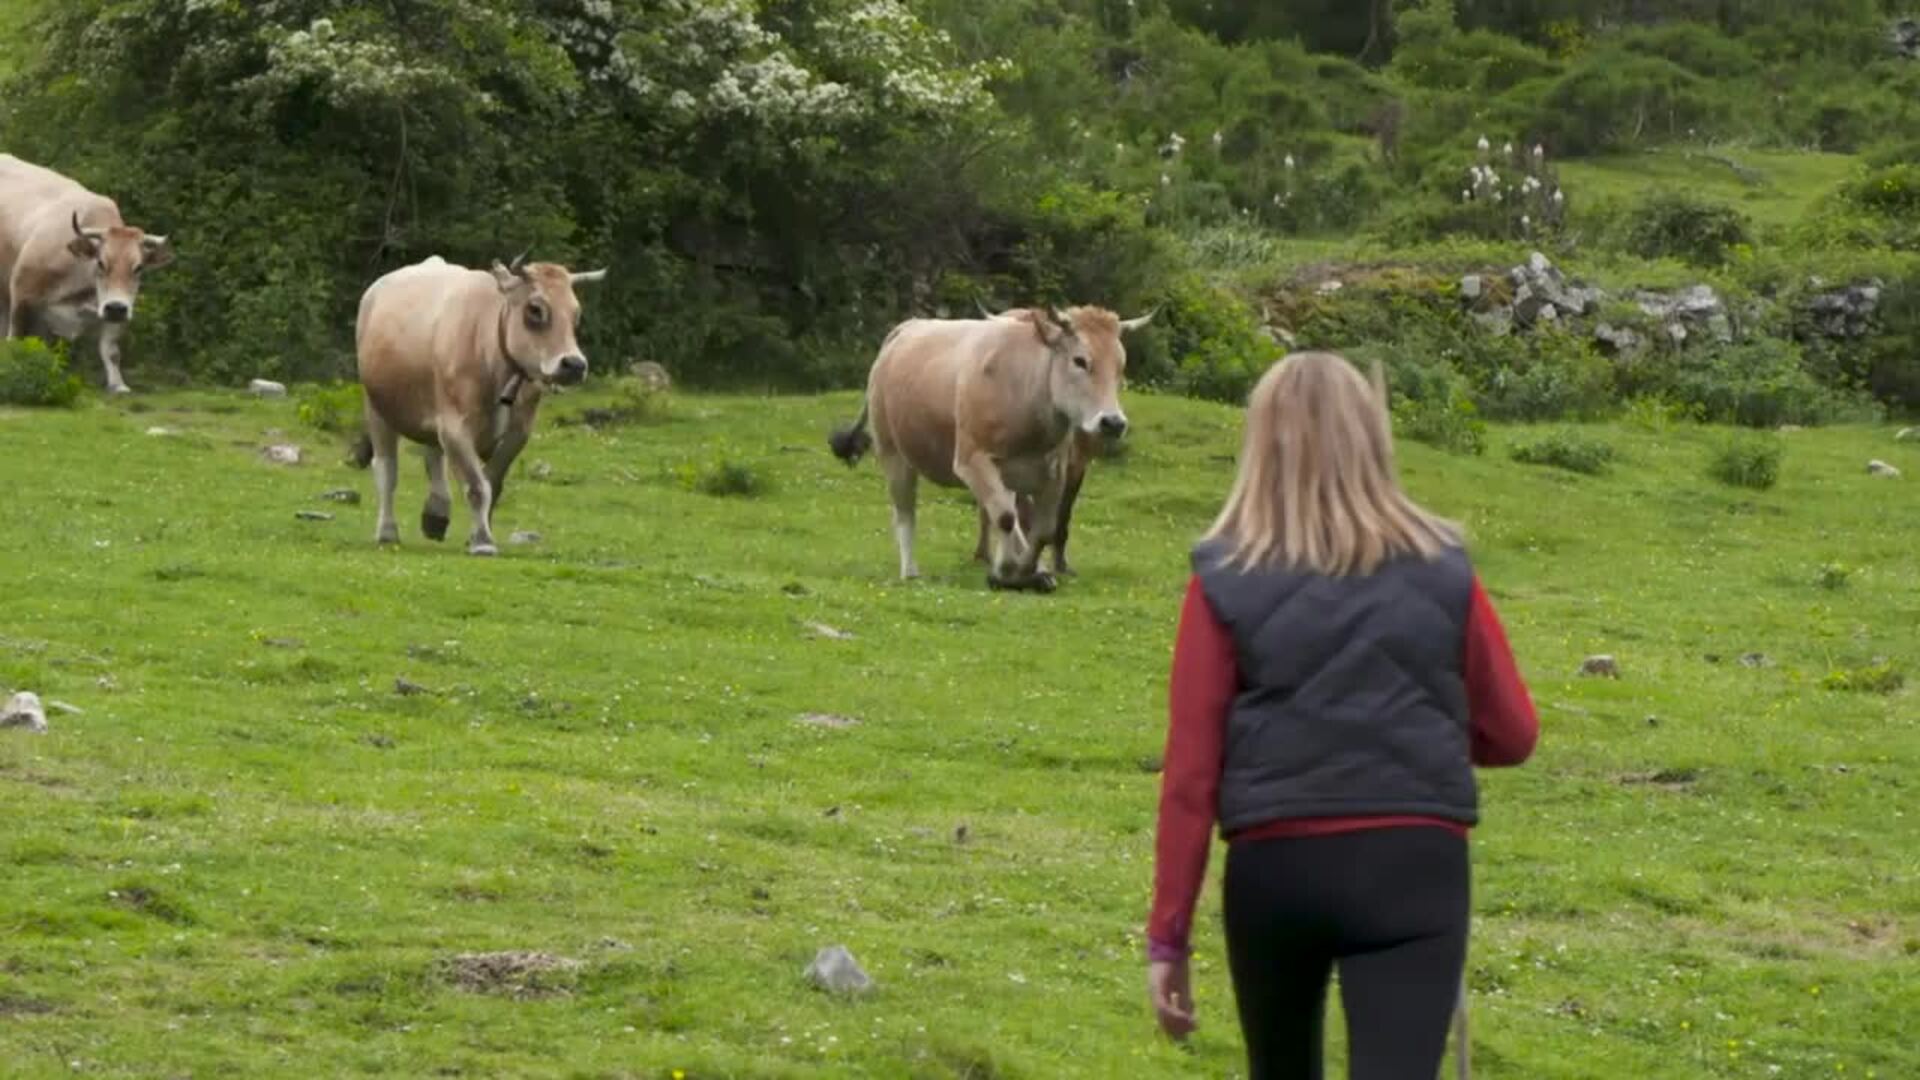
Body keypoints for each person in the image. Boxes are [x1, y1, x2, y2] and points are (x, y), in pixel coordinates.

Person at [1144, 351, 1539, 1079]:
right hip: (1413, 864)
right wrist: (1417, 727)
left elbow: (1192, 776)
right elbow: (1513, 734)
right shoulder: (1445, 566)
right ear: (1373, 436)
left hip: (1276, 869)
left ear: (1260, 443)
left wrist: (1168, 939)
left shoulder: (1222, 580)